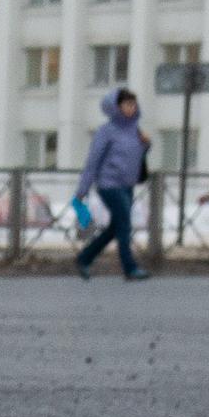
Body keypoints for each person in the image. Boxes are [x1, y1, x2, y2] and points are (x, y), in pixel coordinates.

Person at [76, 85, 151, 281]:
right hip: (109, 184)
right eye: (126, 104)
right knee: (125, 224)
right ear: (115, 107)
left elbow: (135, 156)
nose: (131, 108)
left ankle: (84, 258)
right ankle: (130, 268)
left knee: (114, 228)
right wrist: (82, 190)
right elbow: (93, 161)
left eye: (133, 104)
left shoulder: (135, 129)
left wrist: (146, 144)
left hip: (127, 185)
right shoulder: (106, 131)